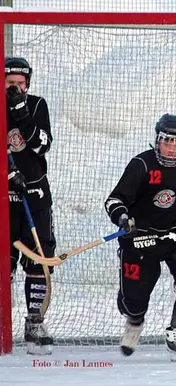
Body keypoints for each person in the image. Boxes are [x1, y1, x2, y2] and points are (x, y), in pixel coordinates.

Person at [104, 114, 176, 362]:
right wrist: (123, 218)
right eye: (166, 141)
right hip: (140, 239)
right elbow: (114, 200)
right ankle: (134, 322)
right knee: (133, 304)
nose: (171, 147)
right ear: (157, 141)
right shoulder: (141, 165)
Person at [6, 57, 55, 355]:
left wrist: (21, 112)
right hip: (3, 198)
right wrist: (7, 173)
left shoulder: (36, 105)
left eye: (20, 84)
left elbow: (41, 145)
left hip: (35, 194)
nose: (15, 89)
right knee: (3, 263)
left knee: (39, 260)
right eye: (9, 84)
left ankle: (35, 322)